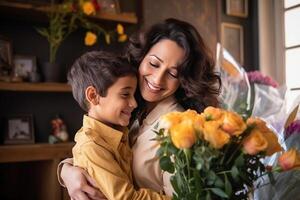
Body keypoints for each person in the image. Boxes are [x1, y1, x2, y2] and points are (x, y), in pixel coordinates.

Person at [58, 18, 221, 200]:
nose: (158, 79)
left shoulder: (180, 129)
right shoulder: (128, 108)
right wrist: (67, 170)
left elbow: (184, 197)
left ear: (183, 80)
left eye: (173, 73)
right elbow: (101, 149)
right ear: (141, 57)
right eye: (154, 64)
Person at [67, 50, 170, 200]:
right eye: (125, 94)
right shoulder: (92, 146)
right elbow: (127, 198)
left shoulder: (119, 131)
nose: (134, 103)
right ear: (93, 96)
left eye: (134, 95)